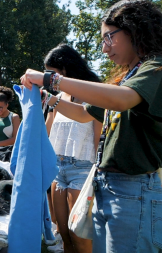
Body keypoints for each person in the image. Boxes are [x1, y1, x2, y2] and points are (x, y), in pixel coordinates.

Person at [20, 1, 162, 252]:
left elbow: (121, 100)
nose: (104, 48)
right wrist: (50, 98)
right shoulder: (129, 76)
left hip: (135, 190)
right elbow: (85, 113)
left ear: (135, 30)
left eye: (109, 37)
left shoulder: (159, 66)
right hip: (110, 187)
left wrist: (52, 79)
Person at [43, 44, 102, 253]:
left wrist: (99, 172)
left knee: (81, 237)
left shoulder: (94, 93)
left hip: (84, 168)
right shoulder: (58, 98)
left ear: (65, 70)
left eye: (52, 73)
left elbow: (98, 136)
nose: (49, 78)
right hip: (58, 170)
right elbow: (47, 133)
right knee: (64, 234)